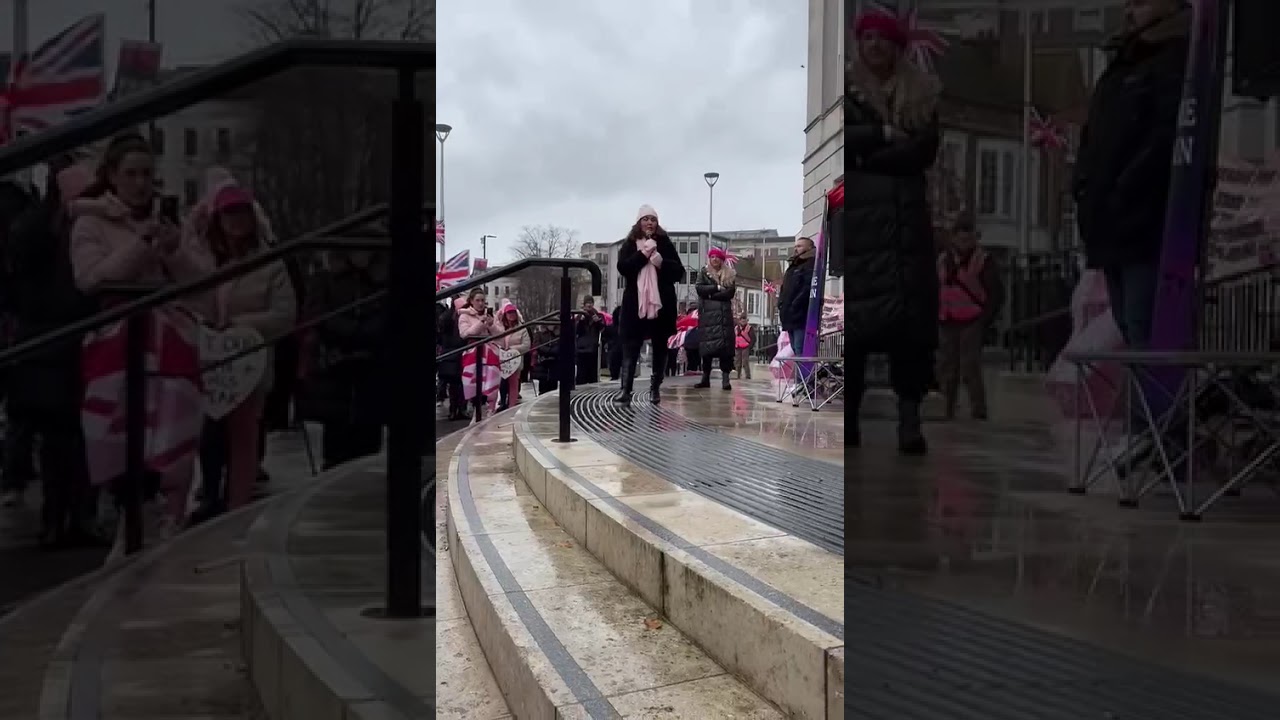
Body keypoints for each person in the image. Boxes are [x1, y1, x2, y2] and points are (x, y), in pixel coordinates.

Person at [70, 132, 212, 548]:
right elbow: (91, 278)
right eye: (130, 174)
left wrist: (173, 252)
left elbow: (202, 283)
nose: (139, 183)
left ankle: (170, 510)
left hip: (168, 340)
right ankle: (125, 514)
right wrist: (142, 244)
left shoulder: (173, 221)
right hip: (115, 342)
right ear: (111, 176)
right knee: (116, 430)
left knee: (172, 426)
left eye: (147, 174)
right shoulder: (91, 220)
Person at [845, 10, 942, 455]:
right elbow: (843, 143)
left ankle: (910, 420)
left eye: (882, 38)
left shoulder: (922, 96)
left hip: (906, 228)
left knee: (911, 332)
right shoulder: (845, 93)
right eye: (866, 38)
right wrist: (882, 135)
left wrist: (871, 158)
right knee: (856, 331)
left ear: (897, 46)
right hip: (863, 229)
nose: (873, 46)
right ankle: (849, 421)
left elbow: (922, 151)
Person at [1073, 0, 1188, 349]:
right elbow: (1094, 133)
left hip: (1143, 220)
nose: (1129, 11)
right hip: (1110, 219)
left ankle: (1154, 405)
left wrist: (1125, 187)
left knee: (1145, 328)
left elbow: (1165, 133)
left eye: (1139, 2)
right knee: (1127, 324)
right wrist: (1083, 182)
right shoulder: (1120, 63)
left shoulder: (1173, 55)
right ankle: (1145, 404)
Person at [4, 159, 100, 546]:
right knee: (57, 439)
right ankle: (59, 515)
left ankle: (77, 515)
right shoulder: (39, 232)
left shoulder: (79, 232)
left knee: (80, 438)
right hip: (48, 344)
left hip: (68, 342)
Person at [190, 186, 296, 520]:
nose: (235, 221)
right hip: (208, 360)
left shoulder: (270, 262)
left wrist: (238, 324)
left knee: (244, 435)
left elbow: (285, 314)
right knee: (208, 433)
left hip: (250, 362)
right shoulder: (205, 259)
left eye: (241, 213)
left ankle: (237, 503)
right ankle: (209, 493)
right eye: (228, 214)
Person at [300, 249, 388, 469]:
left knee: (368, 429)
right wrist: (346, 330)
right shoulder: (326, 278)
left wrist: (366, 331)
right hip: (334, 359)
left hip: (372, 359)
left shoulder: (382, 279)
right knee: (336, 427)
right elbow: (315, 313)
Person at [937, 213, 1004, 421]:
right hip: (948, 319)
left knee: (969, 367)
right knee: (948, 368)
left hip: (971, 320)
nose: (964, 242)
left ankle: (978, 410)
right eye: (960, 237)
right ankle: (946, 408)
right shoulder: (943, 260)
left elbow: (995, 292)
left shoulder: (982, 260)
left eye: (968, 237)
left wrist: (985, 319)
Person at [615, 205, 684, 405]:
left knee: (660, 345)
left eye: (652, 219)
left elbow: (678, 272)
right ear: (639, 222)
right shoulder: (630, 243)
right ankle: (625, 389)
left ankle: (655, 388)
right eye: (645, 219)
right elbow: (624, 268)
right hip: (635, 303)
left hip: (660, 304)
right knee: (631, 345)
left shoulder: (664, 243)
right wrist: (643, 255)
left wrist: (660, 262)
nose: (649, 223)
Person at [694, 247, 737, 390]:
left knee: (726, 350)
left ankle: (726, 379)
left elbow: (730, 293)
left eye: (717, 257)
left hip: (724, 317)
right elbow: (700, 289)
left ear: (722, 260)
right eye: (712, 257)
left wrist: (711, 295)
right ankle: (705, 378)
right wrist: (717, 288)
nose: (715, 260)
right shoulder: (703, 272)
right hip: (708, 317)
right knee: (707, 349)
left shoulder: (730, 274)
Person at [457, 289, 496, 411]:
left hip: (489, 353)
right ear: (471, 301)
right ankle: (475, 409)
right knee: (473, 383)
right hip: (472, 354)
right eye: (477, 300)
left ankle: (487, 408)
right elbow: (465, 334)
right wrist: (481, 322)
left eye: (483, 300)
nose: (480, 303)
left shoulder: (489, 315)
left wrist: (492, 325)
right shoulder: (464, 315)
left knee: (488, 383)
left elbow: (500, 334)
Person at [778, 236, 815, 351]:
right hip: (789, 314)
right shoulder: (793, 266)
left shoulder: (810, 263)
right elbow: (785, 287)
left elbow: (807, 287)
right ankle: (799, 369)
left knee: (801, 348)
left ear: (809, 247)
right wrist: (781, 303)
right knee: (795, 348)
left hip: (800, 314)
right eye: (795, 246)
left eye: (799, 246)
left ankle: (804, 370)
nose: (796, 249)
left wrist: (795, 304)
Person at [494, 299, 530, 410]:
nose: (511, 315)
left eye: (513, 313)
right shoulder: (501, 328)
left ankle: (511, 405)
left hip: (515, 360)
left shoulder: (522, 328)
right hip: (503, 360)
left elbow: (526, 345)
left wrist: (512, 349)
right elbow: (496, 340)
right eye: (509, 313)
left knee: (513, 383)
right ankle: (503, 402)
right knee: (502, 382)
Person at [437, 296, 468, 420]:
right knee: (454, 385)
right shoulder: (448, 318)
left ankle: (461, 409)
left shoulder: (462, 318)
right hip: (452, 353)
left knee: (462, 384)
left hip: (459, 353)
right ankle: (454, 409)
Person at [575, 295, 605, 385]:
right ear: (584, 304)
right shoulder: (580, 316)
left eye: (591, 303)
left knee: (593, 376)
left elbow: (603, 330)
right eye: (587, 303)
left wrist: (598, 322)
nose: (589, 305)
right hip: (582, 349)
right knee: (581, 376)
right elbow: (575, 331)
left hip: (593, 348)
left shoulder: (597, 315)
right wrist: (581, 321)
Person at [603, 304, 622, 380]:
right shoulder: (625, 328)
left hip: (614, 348)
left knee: (614, 364)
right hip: (621, 348)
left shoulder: (611, 327)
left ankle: (615, 377)